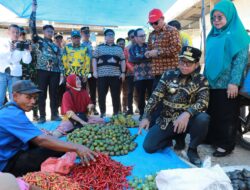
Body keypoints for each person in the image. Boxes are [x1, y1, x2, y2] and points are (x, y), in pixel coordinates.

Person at [0, 80, 97, 177]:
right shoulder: (12, 114)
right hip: (5, 164)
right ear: (15, 96)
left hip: (12, 150)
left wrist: (41, 134)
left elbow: (26, 129)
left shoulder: (10, 108)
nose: (33, 101)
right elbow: (40, 140)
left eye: (34, 98)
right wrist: (76, 147)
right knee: (56, 149)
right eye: (28, 97)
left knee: (53, 143)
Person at [139, 46, 210, 166]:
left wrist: (187, 113)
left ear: (196, 65)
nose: (184, 66)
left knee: (203, 118)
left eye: (189, 64)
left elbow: (203, 102)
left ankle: (192, 149)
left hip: (188, 120)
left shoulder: (201, 79)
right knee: (149, 147)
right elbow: (155, 96)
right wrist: (146, 116)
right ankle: (175, 137)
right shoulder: (168, 75)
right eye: (182, 62)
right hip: (167, 119)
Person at [204, 0, 249, 157]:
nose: (216, 21)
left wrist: (234, 82)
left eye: (220, 17)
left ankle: (226, 144)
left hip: (228, 83)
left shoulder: (239, 36)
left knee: (226, 115)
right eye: (213, 17)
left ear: (229, 17)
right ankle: (213, 139)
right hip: (211, 82)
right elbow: (209, 59)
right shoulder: (213, 35)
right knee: (213, 112)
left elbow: (240, 61)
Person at [29, 2, 64, 123]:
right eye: (48, 31)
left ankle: (54, 114)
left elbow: (60, 60)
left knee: (54, 94)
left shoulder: (56, 47)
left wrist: (62, 73)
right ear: (44, 32)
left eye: (52, 31)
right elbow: (32, 27)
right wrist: (34, 11)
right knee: (42, 94)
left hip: (55, 72)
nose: (50, 33)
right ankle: (42, 116)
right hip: (42, 71)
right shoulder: (38, 41)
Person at [92, 29, 126, 117]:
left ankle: (116, 113)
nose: (111, 36)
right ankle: (102, 113)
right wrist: (95, 71)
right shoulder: (99, 47)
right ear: (105, 37)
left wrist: (123, 72)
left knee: (116, 95)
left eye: (112, 35)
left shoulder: (118, 49)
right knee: (101, 95)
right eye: (109, 35)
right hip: (101, 75)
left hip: (115, 75)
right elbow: (94, 59)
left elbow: (123, 60)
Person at [145, 9, 181, 89]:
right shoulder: (152, 34)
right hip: (157, 73)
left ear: (163, 19)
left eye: (156, 22)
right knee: (156, 99)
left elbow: (176, 48)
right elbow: (149, 48)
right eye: (151, 23)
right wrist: (148, 53)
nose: (154, 25)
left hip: (170, 72)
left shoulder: (172, 30)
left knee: (171, 98)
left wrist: (158, 52)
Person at [0, 24, 32, 106]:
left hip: (15, 74)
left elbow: (27, 61)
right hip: (2, 72)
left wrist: (28, 52)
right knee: (0, 97)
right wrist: (9, 50)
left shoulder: (22, 44)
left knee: (14, 98)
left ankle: (12, 117)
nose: (15, 34)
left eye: (17, 32)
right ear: (8, 32)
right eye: (13, 32)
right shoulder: (2, 41)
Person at [129, 28, 154, 120]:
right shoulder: (132, 48)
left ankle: (151, 114)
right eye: (141, 36)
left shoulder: (150, 46)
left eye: (144, 35)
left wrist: (141, 57)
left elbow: (153, 57)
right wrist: (146, 56)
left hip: (151, 75)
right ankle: (142, 114)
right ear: (135, 38)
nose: (144, 37)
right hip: (139, 77)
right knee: (140, 96)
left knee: (152, 95)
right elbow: (132, 59)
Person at [81, 26, 99, 115]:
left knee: (93, 91)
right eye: (85, 33)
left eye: (88, 33)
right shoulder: (79, 45)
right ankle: (84, 108)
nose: (86, 34)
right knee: (83, 90)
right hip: (83, 72)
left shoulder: (93, 45)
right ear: (81, 34)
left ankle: (93, 108)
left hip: (92, 71)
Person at [116, 38, 127, 113]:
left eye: (123, 44)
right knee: (117, 93)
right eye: (120, 44)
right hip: (116, 75)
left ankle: (124, 108)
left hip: (126, 75)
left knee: (125, 93)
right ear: (117, 44)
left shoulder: (126, 52)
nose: (121, 45)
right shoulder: (114, 52)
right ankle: (118, 109)